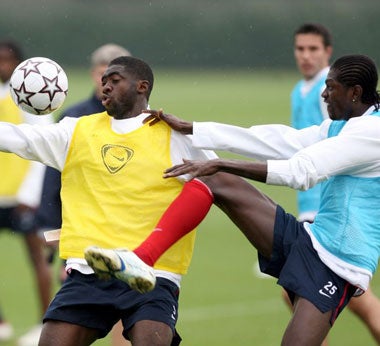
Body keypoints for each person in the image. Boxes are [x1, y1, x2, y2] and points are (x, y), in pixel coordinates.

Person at [98, 54, 380, 345]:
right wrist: (194, 129)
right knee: (214, 181)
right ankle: (142, 258)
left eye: (330, 88)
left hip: (337, 266)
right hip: (310, 240)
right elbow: (278, 141)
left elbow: (302, 171)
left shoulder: (372, 132)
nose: (324, 94)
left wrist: (222, 163)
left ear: (355, 92)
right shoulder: (341, 126)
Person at [0, 56, 217, 346]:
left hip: (153, 276)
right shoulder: (75, 130)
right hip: (87, 273)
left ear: (142, 87)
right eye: (103, 82)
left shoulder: (176, 137)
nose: (105, 87)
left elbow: (223, 185)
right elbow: (16, 136)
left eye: (114, 81)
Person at [17, 43, 132, 346]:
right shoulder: (74, 119)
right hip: (81, 236)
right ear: (95, 73)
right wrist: (48, 225)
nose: (110, 83)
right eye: (105, 74)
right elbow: (53, 179)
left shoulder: (140, 118)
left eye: (120, 77)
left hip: (130, 233)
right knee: (75, 315)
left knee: (126, 312)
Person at [288, 23, 380, 344]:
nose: (306, 56)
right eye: (300, 49)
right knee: (297, 295)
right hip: (310, 207)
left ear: (328, 52)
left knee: (362, 304)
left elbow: (332, 152)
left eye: (313, 49)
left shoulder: (329, 91)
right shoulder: (299, 89)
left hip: (328, 213)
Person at [0, 40, 53, 343]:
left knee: (38, 257)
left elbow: (44, 147)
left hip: (22, 197)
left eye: (8, 60)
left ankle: (43, 321)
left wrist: (30, 195)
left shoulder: (29, 96)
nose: (2, 66)